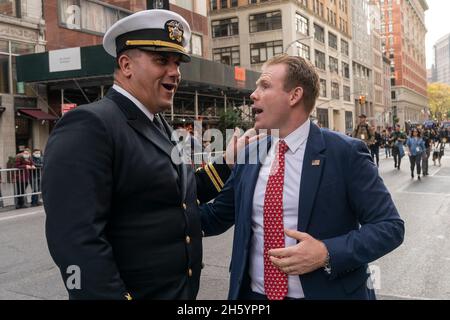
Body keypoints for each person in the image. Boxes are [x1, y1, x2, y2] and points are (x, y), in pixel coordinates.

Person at [43, 10, 235, 300]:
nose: (175, 71)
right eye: (161, 61)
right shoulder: (90, 124)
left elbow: (177, 197)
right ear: (126, 65)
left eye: (177, 62)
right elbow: (76, 242)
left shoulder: (159, 124)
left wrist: (228, 163)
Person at [200, 54, 404, 300]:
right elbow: (214, 217)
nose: (253, 94)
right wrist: (153, 217)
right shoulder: (250, 153)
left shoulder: (345, 153)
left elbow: (389, 227)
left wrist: (325, 252)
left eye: (264, 85)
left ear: (294, 96)